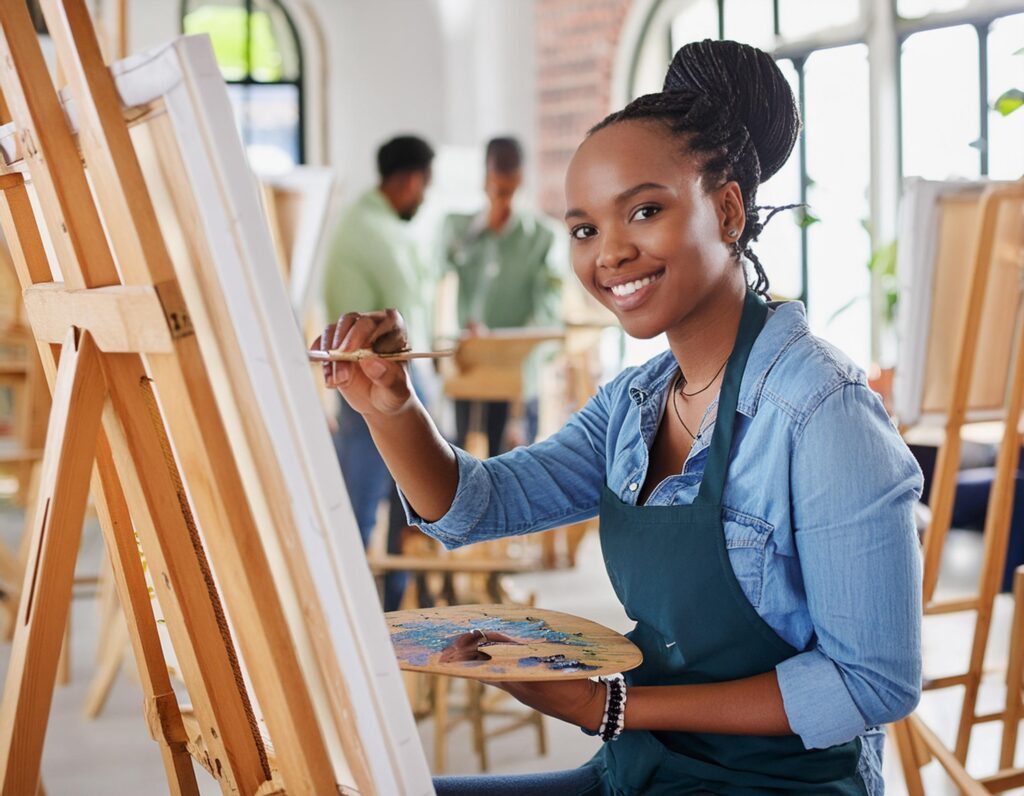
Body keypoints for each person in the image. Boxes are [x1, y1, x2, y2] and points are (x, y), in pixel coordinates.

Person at [316, 40, 922, 795]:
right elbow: (475, 506)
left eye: (644, 210)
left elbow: (874, 684)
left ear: (727, 209)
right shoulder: (633, 405)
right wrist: (391, 406)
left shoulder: (823, 414)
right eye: (584, 229)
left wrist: (612, 706)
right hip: (643, 771)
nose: (611, 253)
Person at [321, 134, 435, 612]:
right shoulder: (376, 232)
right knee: (371, 508)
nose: (424, 196)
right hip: (373, 382)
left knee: (400, 506)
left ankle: (388, 609)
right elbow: (403, 310)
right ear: (410, 181)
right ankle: (361, 617)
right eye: (425, 185)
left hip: (372, 380)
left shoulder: (365, 222)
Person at [440, 137, 563, 454]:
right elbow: (434, 282)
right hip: (468, 371)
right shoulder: (459, 230)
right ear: (485, 179)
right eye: (496, 189)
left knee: (513, 470)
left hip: (517, 381)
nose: (502, 200)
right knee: (458, 465)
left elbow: (548, 310)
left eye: (508, 190)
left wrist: (504, 344)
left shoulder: (542, 238)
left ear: (521, 180)